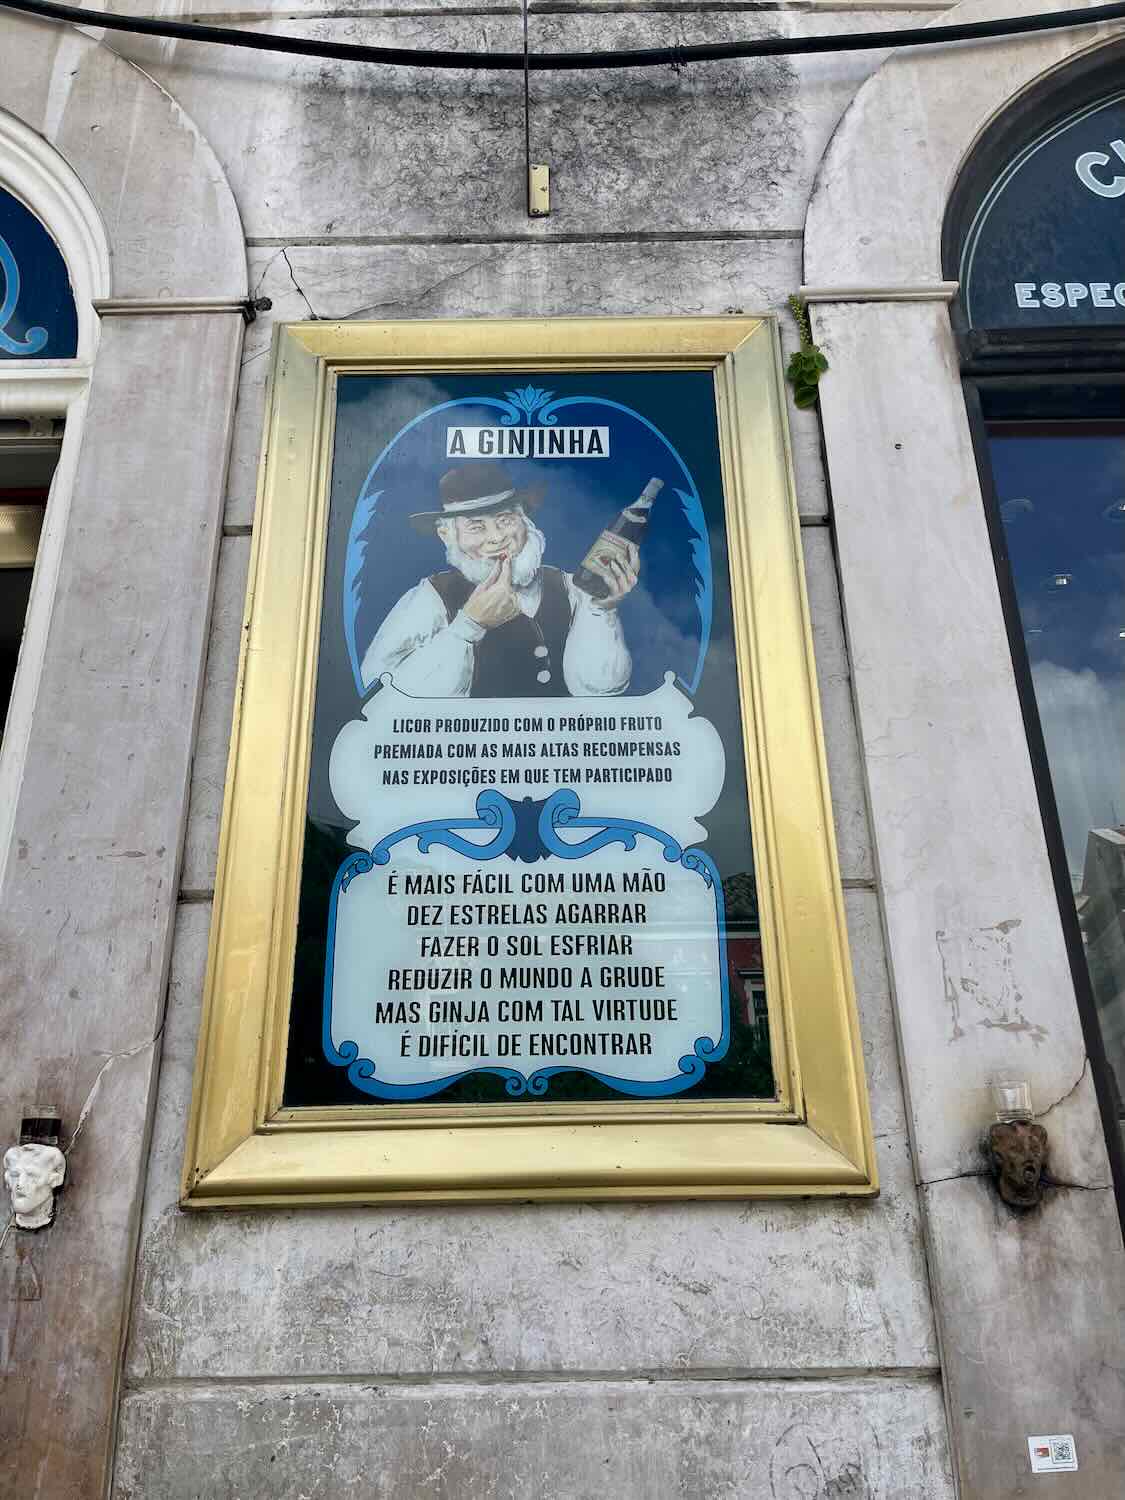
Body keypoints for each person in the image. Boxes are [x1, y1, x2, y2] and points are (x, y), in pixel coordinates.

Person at [360, 462, 639, 698]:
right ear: (447, 535)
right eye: (476, 526)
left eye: (505, 520)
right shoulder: (430, 598)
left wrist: (601, 610)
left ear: (524, 521)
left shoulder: (572, 588)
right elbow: (380, 691)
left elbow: (601, 690)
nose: (496, 537)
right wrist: (467, 626)